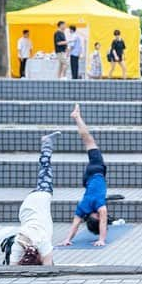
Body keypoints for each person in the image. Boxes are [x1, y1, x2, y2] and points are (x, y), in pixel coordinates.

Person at [6, 132, 61, 265]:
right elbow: (12, 266)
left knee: (45, 168)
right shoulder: (18, 244)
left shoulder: (42, 241)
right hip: (26, 210)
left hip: (40, 197)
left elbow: (49, 266)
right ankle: (46, 144)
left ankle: (46, 142)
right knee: (44, 169)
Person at [60, 104, 109, 247]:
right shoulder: (82, 208)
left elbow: (104, 222)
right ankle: (77, 117)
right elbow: (74, 225)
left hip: (96, 170)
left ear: (96, 218)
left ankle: (77, 117)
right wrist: (67, 239)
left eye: (99, 218)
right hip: (87, 178)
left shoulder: (101, 207)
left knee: (88, 140)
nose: (102, 217)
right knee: (88, 142)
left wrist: (102, 239)